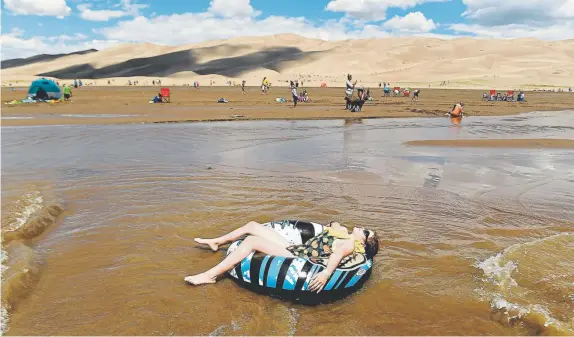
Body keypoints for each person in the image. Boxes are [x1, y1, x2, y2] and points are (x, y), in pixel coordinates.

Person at [185, 221, 380, 291]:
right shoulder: (345, 235)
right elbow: (333, 226)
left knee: (252, 241)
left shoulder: (350, 244)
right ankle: (217, 242)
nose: (363, 229)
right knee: (253, 225)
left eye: (366, 232)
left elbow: (337, 254)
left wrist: (326, 274)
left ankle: (210, 275)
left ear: (363, 242)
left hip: (299, 259)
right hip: (297, 248)